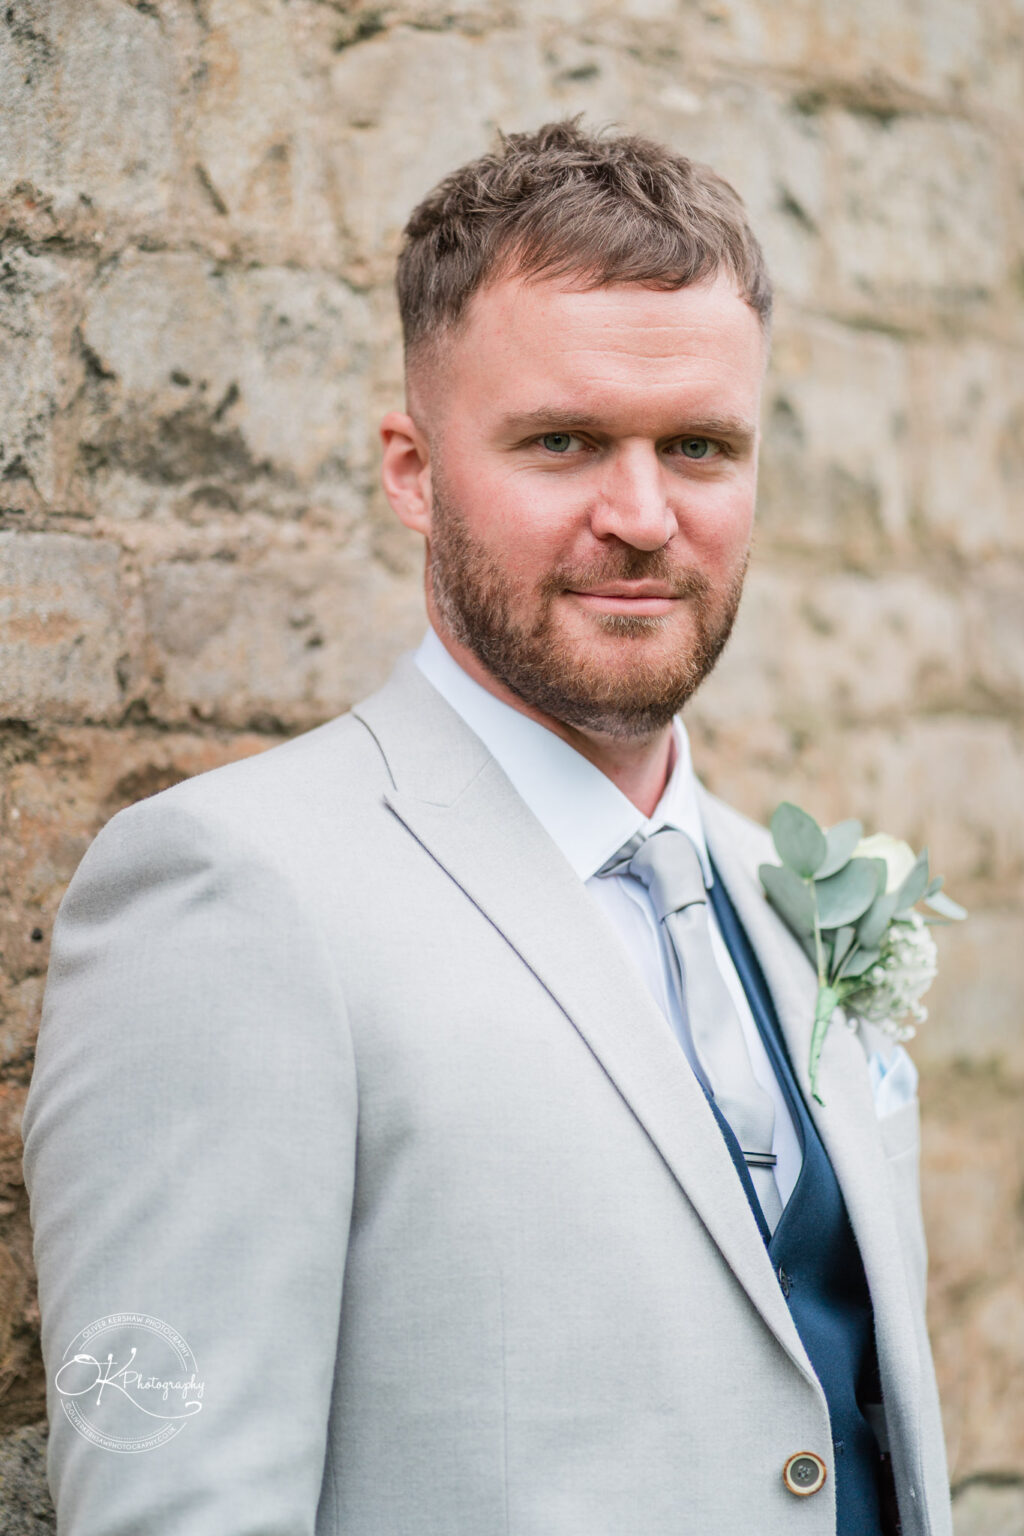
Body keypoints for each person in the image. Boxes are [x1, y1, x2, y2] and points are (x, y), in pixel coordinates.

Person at [22, 120, 950, 1535]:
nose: (642, 517)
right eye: (563, 442)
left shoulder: (777, 891)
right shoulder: (233, 893)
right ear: (413, 469)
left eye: (699, 446)